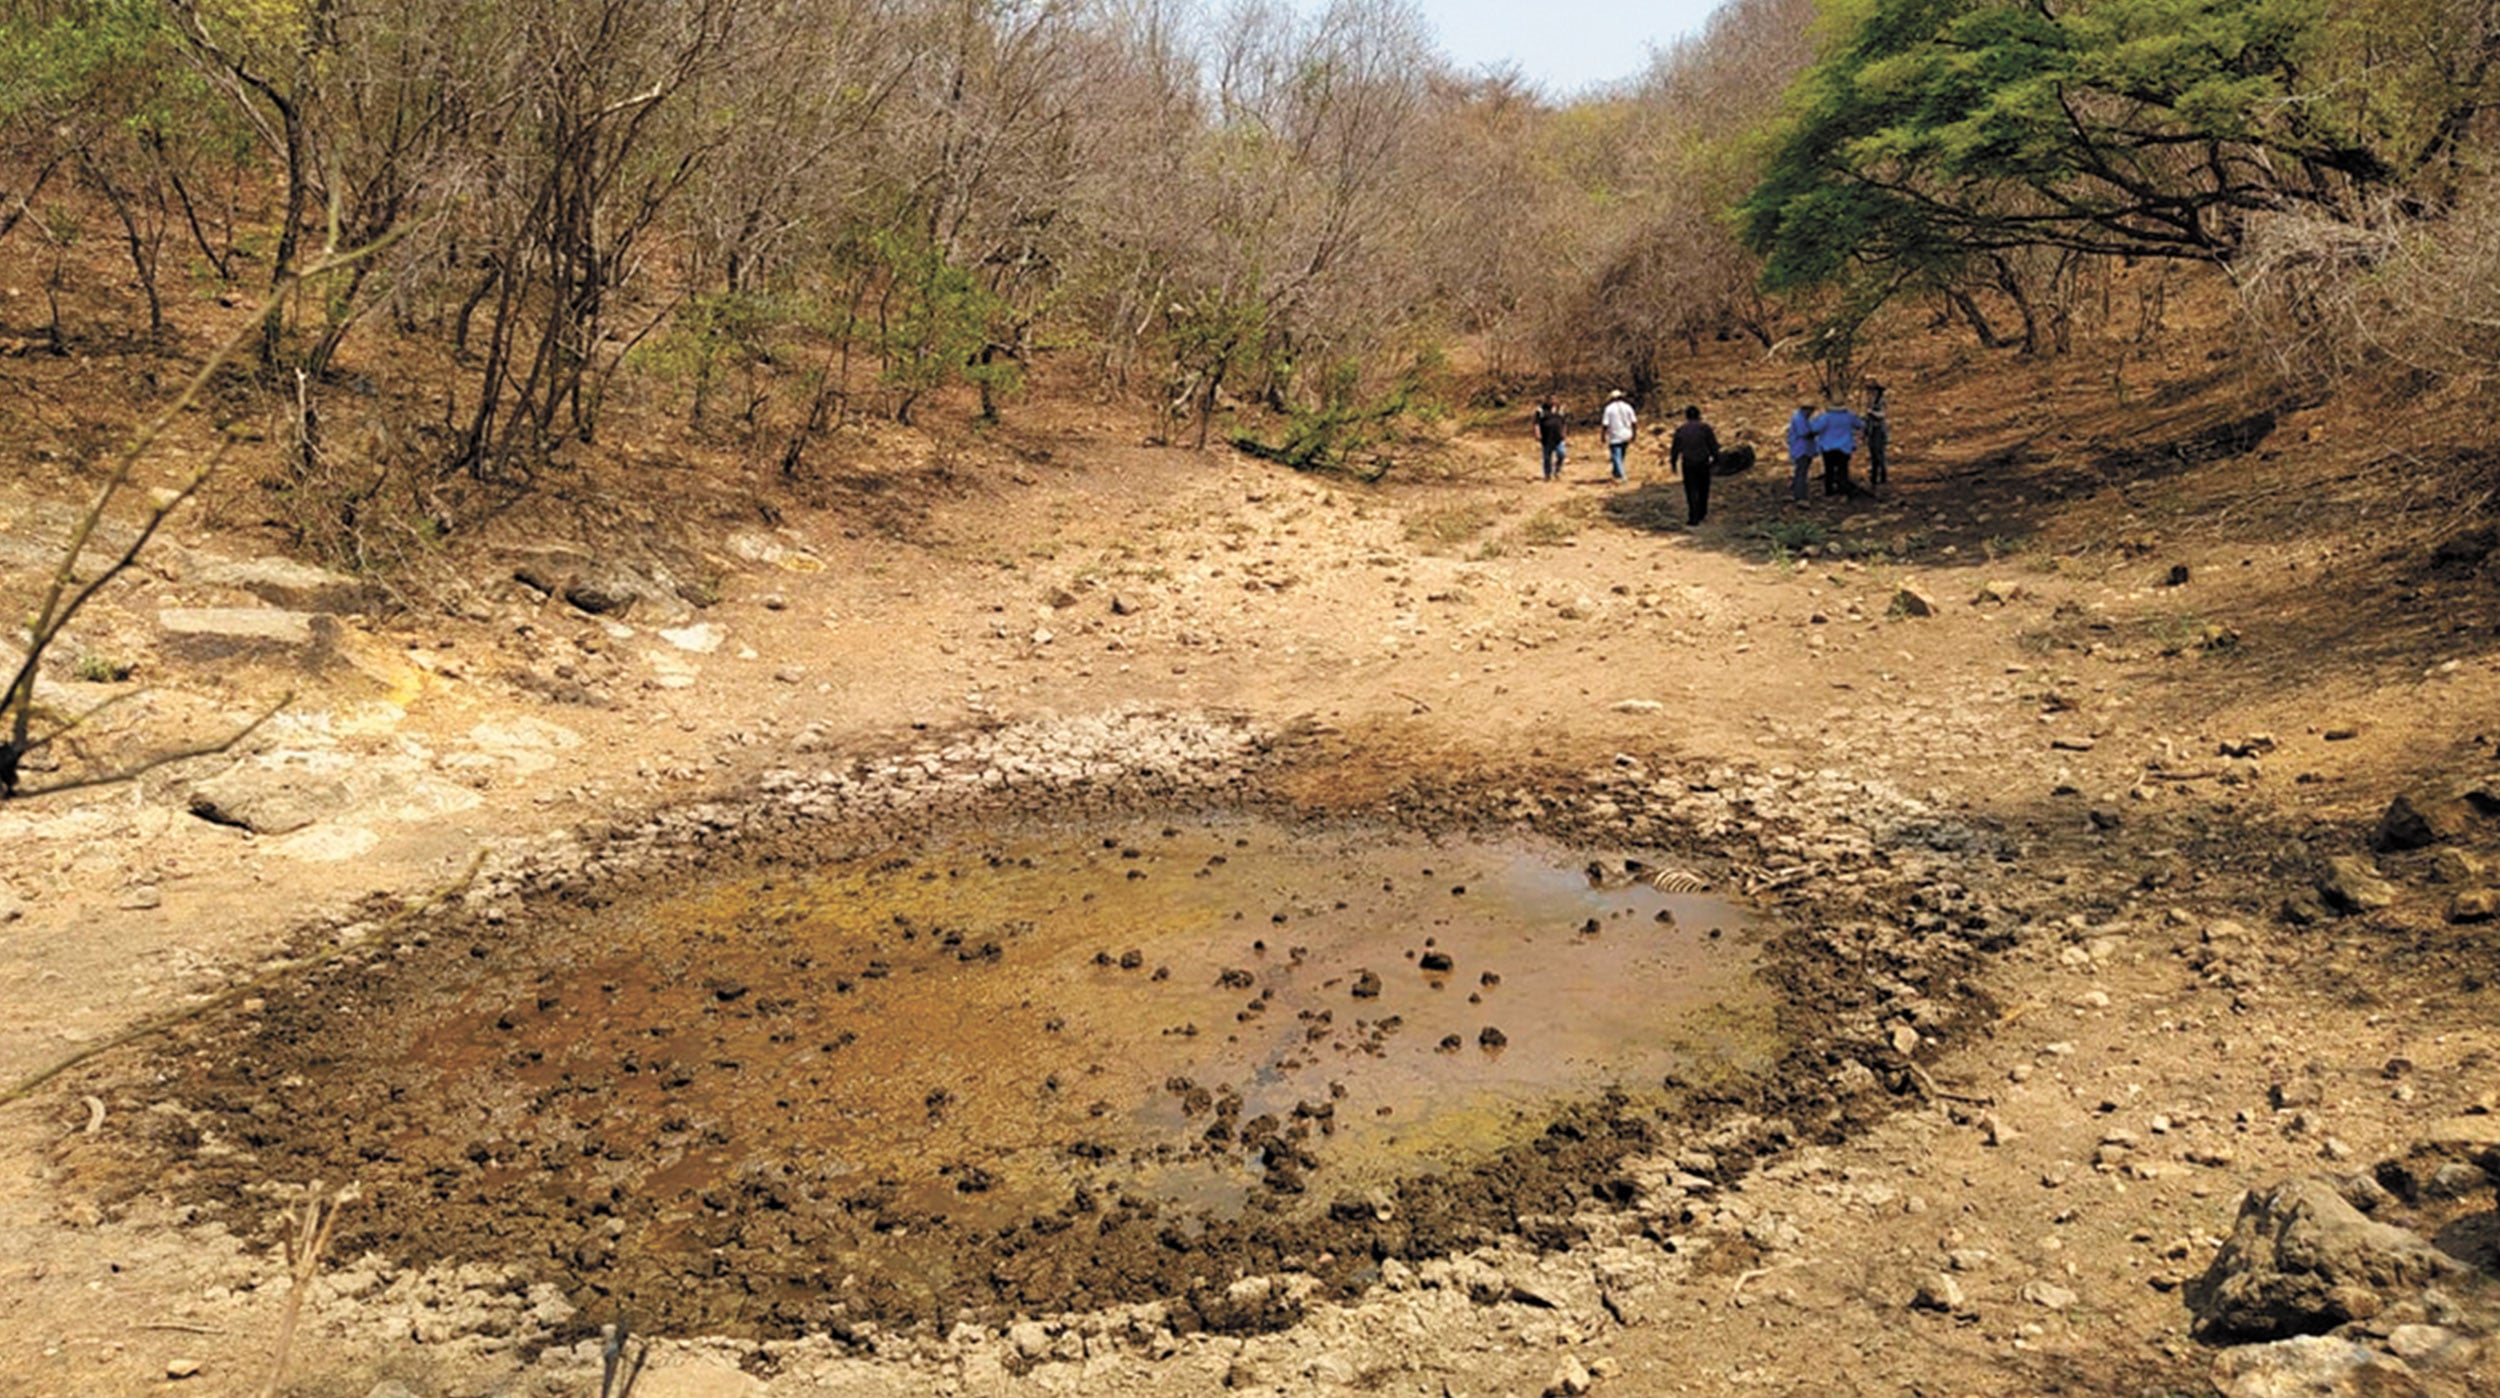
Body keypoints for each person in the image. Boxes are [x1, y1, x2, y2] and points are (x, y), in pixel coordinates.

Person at [1668, 405, 1720, 526]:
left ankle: (1693, 516)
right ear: (1699, 415)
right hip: (1703, 462)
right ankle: (1702, 512)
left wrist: (1673, 462)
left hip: (1688, 463)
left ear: (1686, 416)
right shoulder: (1705, 428)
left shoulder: (1681, 430)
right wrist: (1716, 459)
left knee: (1691, 489)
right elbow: (1713, 445)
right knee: (1703, 488)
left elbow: (1675, 448)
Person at [1813, 398, 1864, 497]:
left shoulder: (1826, 417)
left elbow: (1815, 428)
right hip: (1844, 447)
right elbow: (1861, 425)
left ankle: (1829, 491)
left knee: (1829, 470)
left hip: (1828, 447)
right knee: (1843, 469)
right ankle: (1842, 489)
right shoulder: (1849, 416)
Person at [1600, 390, 1637, 482]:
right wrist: (1634, 434)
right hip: (1626, 434)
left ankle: (1622, 475)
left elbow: (1605, 424)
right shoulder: (1628, 407)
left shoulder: (1609, 409)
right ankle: (1616, 472)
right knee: (1621, 455)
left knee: (1616, 456)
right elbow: (1634, 422)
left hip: (1615, 435)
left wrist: (1603, 435)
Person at [1785, 402, 1815, 504]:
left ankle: (1796, 493)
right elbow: (1804, 433)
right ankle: (1800, 496)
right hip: (1801, 449)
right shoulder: (1799, 419)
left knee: (1800, 472)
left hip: (1803, 449)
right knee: (1801, 473)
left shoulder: (1802, 418)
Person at [1532, 397, 1568, 481]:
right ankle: (1547, 474)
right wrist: (1537, 433)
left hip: (1558, 438)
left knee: (1561, 454)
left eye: (1555, 399)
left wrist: (1564, 433)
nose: (1553, 401)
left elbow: (1564, 423)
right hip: (1546, 437)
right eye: (1551, 399)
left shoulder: (1560, 410)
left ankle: (1557, 471)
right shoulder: (1541, 411)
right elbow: (1536, 423)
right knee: (1547, 457)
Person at [1864, 383, 1890, 491]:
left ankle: (1883, 476)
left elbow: (1882, 415)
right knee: (1873, 454)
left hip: (1879, 430)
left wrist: (1871, 413)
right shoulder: (1870, 402)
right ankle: (1874, 477)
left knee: (1879, 454)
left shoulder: (1881, 402)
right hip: (1872, 430)